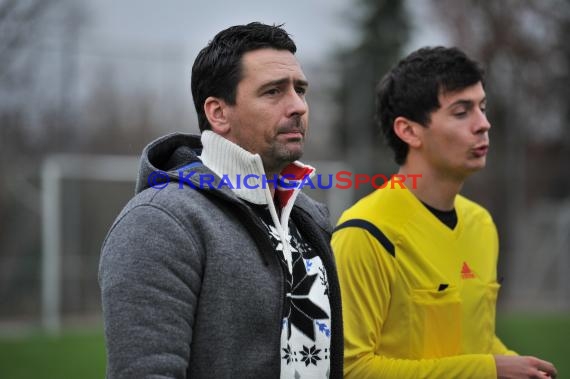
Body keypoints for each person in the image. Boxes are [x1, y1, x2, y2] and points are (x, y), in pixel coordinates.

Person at [99, 22, 343, 379]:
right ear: (218, 112)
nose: (298, 106)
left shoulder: (309, 216)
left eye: (300, 90)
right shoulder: (159, 222)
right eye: (273, 92)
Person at [331, 46, 557, 379]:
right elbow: (350, 368)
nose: (484, 124)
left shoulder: (481, 223)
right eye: (461, 111)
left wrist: (518, 365)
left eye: (482, 107)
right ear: (408, 131)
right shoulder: (365, 233)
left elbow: (476, 339)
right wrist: (487, 370)